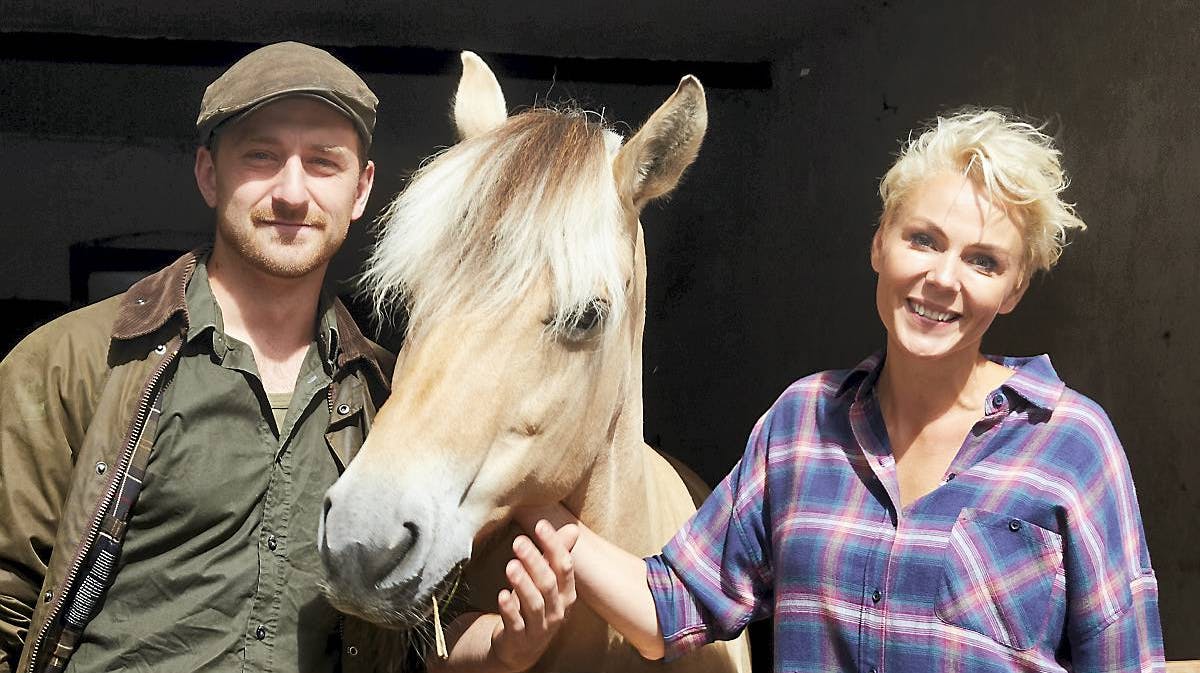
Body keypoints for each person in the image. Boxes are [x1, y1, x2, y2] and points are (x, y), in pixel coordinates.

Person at [518, 109, 1165, 671]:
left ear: (1013, 289)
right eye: (923, 240)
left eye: (983, 261)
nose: (944, 279)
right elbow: (670, 606)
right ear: (880, 243)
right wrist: (520, 494)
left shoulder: (1071, 445)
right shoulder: (802, 423)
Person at [0, 42, 569, 673]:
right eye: (262, 157)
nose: (293, 193)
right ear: (208, 174)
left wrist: (504, 646)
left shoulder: (396, 398)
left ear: (361, 189)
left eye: (323, 162)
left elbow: (419, 629)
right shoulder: (74, 364)